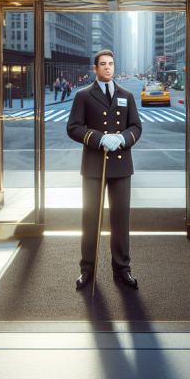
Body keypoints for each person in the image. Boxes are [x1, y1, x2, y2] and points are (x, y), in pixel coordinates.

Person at [67, 49, 142, 291]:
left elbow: (136, 127)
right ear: (95, 69)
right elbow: (74, 127)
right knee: (90, 220)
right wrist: (99, 139)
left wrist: (123, 138)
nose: (108, 67)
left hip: (121, 166)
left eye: (111, 63)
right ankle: (87, 270)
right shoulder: (83, 96)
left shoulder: (127, 95)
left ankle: (122, 270)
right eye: (103, 64)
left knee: (121, 221)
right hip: (94, 166)